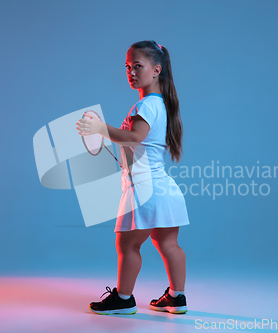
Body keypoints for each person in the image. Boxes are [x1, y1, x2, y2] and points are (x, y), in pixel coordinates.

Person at [76, 40, 190, 315]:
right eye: (128, 66)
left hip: (145, 190)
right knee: (168, 244)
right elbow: (136, 142)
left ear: (156, 70)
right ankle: (177, 297)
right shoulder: (159, 104)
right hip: (163, 188)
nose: (131, 72)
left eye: (137, 66)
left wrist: (99, 128)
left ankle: (123, 299)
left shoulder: (148, 105)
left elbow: (134, 137)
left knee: (127, 244)